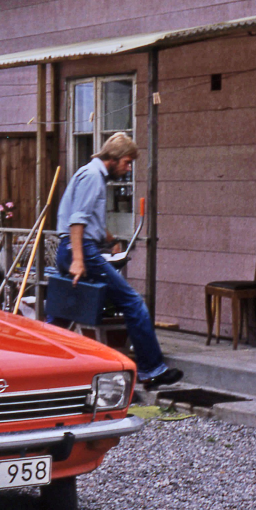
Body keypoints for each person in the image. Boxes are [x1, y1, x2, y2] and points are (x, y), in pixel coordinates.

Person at [47, 132, 183, 389]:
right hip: (80, 249)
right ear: (114, 158)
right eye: (127, 162)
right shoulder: (92, 176)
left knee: (63, 311)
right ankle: (152, 370)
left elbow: (90, 221)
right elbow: (77, 221)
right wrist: (79, 259)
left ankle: (43, 363)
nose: (128, 168)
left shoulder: (89, 174)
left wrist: (110, 241)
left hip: (73, 248)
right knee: (132, 302)